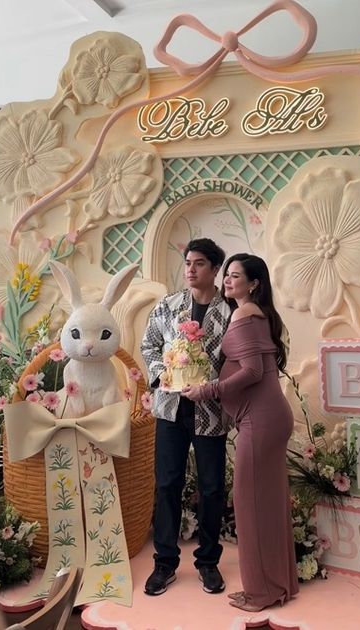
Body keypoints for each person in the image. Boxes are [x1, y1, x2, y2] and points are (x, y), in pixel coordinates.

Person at [183, 253, 299, 612]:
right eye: (228, 275)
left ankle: (261, 594)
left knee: (251, 507)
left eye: (236, 276)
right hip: (268, 418)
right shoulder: (255, 313)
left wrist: (207, 390)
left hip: (260, 422)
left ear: (253, 284)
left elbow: (252, 372)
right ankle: (279, 585)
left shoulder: (245, 314)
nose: (228, 281)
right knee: (269, 505)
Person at [140, 238, 232, 596]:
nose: (191, 270)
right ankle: (164, 563)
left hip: (211, 410)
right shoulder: (168, 305)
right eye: (188, 263)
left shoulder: (231, 312)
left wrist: (214, 386)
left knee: (212, 487)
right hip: (170, 408)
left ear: (215, 269)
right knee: (167, 484)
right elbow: (149, 344)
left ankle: (208, 562)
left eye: (199, 263)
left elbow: (237, 361)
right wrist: (160, 375)